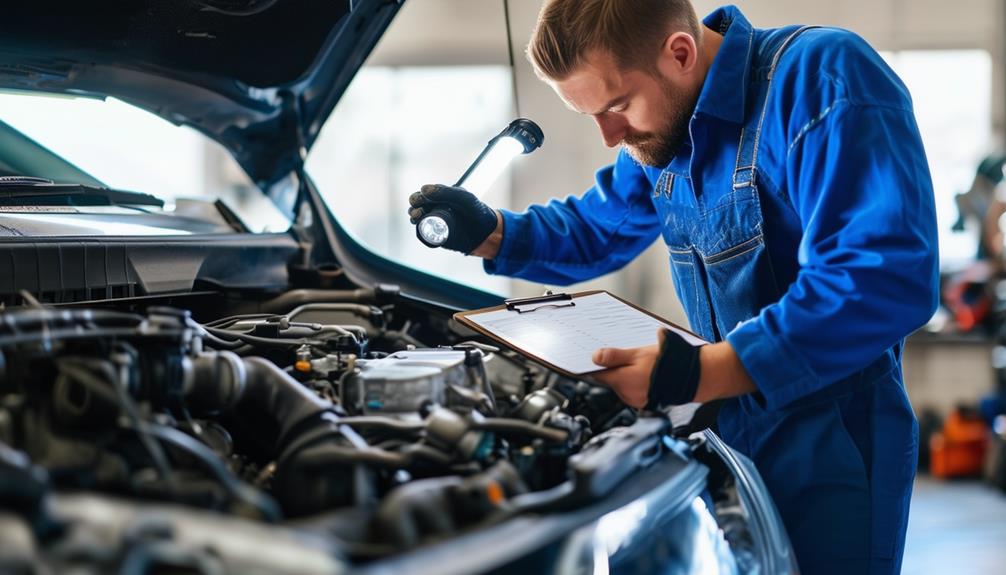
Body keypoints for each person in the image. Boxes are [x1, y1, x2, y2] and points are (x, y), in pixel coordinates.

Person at [407, 1, 938, 573]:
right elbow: (601, 224)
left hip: (834, 443)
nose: (610, 136)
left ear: (680, 53)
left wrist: (701, 371)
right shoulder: (664, 125)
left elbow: (882, 273)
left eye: (616, 106)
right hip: (724, 431)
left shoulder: (822, 78)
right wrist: (489, 232)